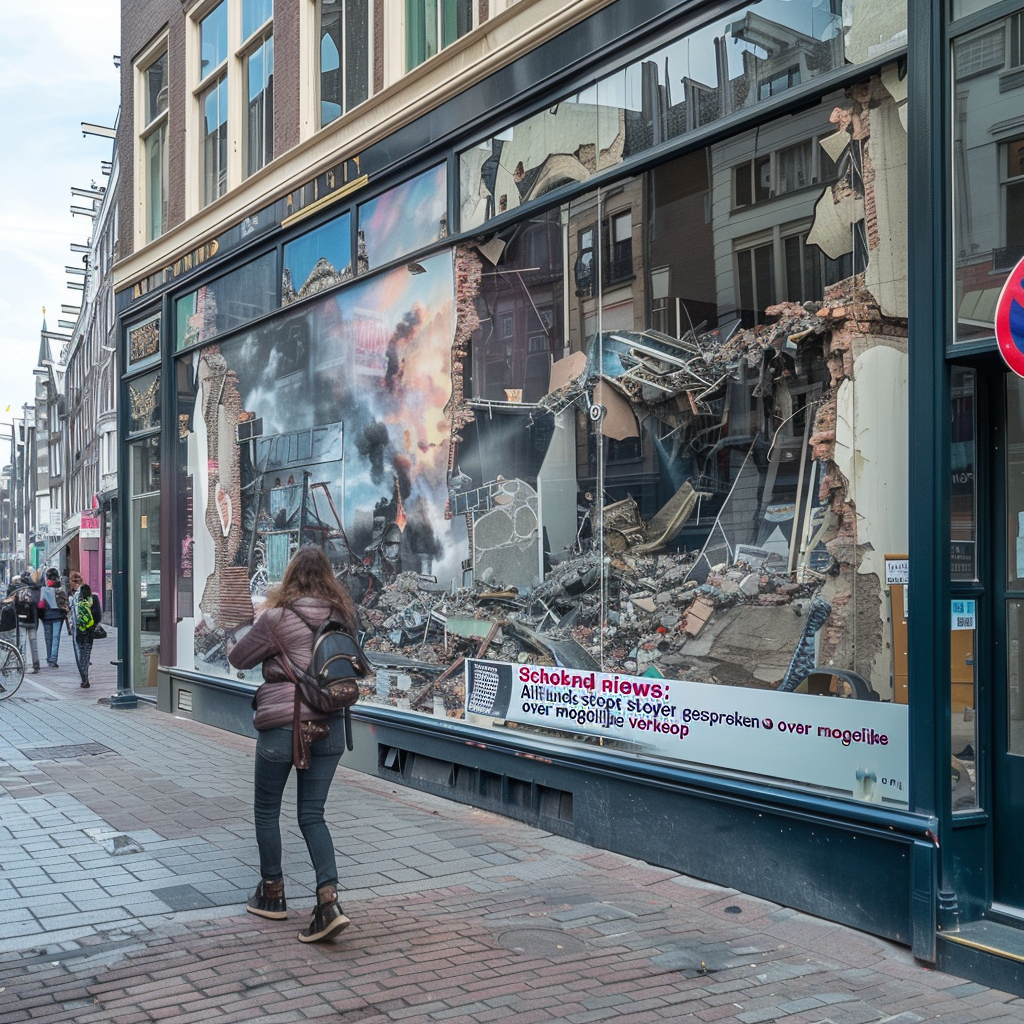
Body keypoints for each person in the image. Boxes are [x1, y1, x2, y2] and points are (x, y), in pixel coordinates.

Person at [227, 545, 359, 943]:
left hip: (284, 726)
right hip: (332, 724)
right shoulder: (342, 616)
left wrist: (270, 654)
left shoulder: (276, 618)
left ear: (290, 577)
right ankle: (328, 901)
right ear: (328, 578)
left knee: (267, 811)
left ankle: (273, 893)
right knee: (312, 815)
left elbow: (237, 658)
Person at [73, 583, 102, 688]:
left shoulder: (77, 602)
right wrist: (93, 625)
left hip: (79, 632)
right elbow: (98, 616)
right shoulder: (94, 599)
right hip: (89, 632)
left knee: (80, 654)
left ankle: (83, 677)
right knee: (86, 654)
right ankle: (85, 677)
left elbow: (73, 617)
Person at [13, 571, 42, 673]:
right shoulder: (35, 588)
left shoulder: (18, 588)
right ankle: (36, 664)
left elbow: (15, 604)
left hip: (21, 619)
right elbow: (37, 603)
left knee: (22, 643)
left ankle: (21, 664)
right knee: (33, 642)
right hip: (32, 619)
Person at [39, 568, 68, 668]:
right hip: (58, 616)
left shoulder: (43, 589)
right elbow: (65, 602)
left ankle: (49, 657)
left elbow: (40, 604)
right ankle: (53, 659)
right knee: (56, 638)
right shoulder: (60, 589)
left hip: (46, 616)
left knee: (48, 638)